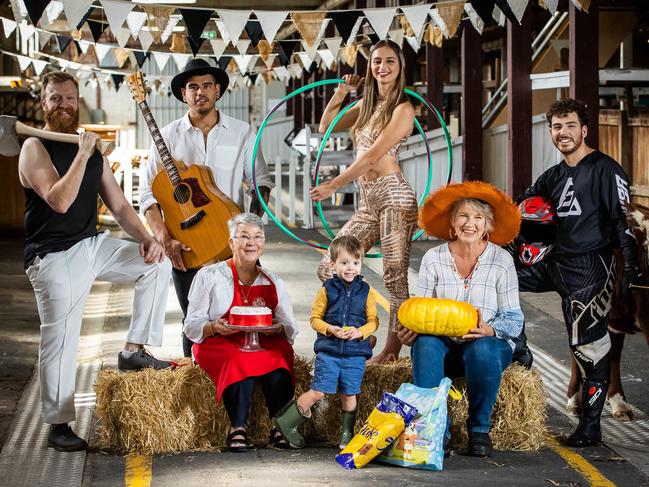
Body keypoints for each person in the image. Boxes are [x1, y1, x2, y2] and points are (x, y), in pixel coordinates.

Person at [18, 71, 172, 452]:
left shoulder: (93, 151)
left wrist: (148, 239)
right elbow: (59, 200)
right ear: (44, 104)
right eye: (56, 99)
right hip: (52, 255)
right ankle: (58, 423)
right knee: (61, 339)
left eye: (70, 98)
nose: (64, 105)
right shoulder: (33, 147)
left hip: (91, 244)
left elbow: (119, 206)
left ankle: (133, 351)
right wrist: (83, 154)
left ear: (77, 101)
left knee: (157, 262)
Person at [515, 98, 647, 447]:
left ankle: (591, 426)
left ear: (584, 130)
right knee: (498, 277)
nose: (563, 132)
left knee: (588, 346)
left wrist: (630, 266)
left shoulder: (606, 169)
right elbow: (522, 207)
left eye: (570, 125)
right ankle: (518, 350)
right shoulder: (554, 175)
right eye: (557, 127)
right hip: (556, 262)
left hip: (591, 266)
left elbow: (623, 219)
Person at [139, 58, 274, 358]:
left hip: (231, 247)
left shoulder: (242, 132)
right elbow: (147, 194)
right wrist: (164, 239)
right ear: (183, 94)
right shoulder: (167, 136)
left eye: (207, 85)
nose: (200, 92)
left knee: (241, 320)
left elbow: (260, 183)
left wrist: (248, 233)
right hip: (186, 247)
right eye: (193, 87)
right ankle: (196, 389)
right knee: (195, 324)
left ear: (218, 91)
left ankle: (236, 390)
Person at [310, 39, 418, 364]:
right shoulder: (365, 106)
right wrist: (342, 93)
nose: (382, 67)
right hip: (368, 202)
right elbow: (325, 126)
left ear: (399, 69)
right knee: (329, 267)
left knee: (394, 276)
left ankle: (389, 352)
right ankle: (363, 329)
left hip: (394, 195)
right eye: (376, 62)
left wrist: (334, 184)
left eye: (389, 62)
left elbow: (372, 156)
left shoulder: (403, 109)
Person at [399, 181, 524, 457]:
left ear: (487, 225)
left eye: (479, 217)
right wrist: (410, 331)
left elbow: (515, 320)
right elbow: (421, 309)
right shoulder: (434, 258)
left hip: (487, 344)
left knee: (482, 349)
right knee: (425, 344)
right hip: (445, 344)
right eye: (464, 216)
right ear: (452, 223)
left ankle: (479, 429)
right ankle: (435, 429)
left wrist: (489, 329)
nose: (471, 223)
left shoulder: (501, 260)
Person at [183, 213, 298, 451]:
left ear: (263, 244)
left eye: (257, 237)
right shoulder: (210, 275)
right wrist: (214, 327)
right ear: (230, 243)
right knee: (238, 358)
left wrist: (276, 328)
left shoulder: (272, 281)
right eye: (243, 236)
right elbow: (192, 324)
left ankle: (279, 425)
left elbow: (289, 325)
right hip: (219, 341)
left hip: (263, 340)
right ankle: (237, 428)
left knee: (280, 358)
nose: (251, 242)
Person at [273, 236, 379, 449]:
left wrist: (360, 332)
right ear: (333, 264)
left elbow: (373, 321)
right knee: (319, 391)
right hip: (329, 352)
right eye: (345, 263)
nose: (351, 268)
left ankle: (347, 434)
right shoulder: (326, 290)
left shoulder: (366, 292)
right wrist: (329, 329)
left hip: (355, 354)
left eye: (356, 263)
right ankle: (286, 422)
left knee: (349, 393)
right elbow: (314, 319)